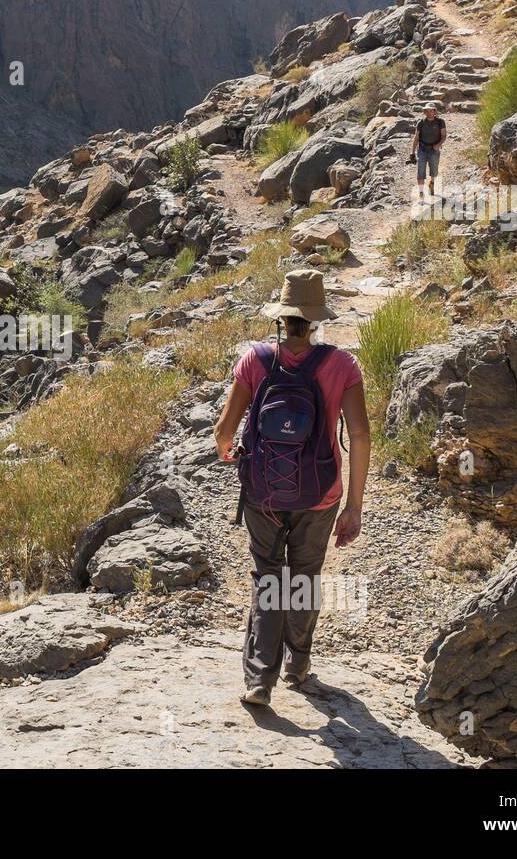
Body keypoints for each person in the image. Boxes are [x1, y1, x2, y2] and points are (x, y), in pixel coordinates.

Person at [213, 269, 371, 707]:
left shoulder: (254, 360)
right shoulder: (341, 365)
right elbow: (359, 435)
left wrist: (232, 453)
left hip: (264, 493)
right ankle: (297, 667)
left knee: (268, 577)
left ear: (280, 319)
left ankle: (259, 681)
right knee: (304, 578)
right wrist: (353, 505)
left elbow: (224, 432)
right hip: (320, 495)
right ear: (318, 319)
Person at [409, 103, 446, 199]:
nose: (429, 113)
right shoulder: (420, 123)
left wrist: (438, 145)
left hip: (434, 150)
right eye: (427, 111)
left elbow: (444, 135)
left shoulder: (440, 122)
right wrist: (412, 152)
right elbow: (416, 137)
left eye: (431, 111)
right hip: (422, 150)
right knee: (420, 172)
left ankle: (432, 183)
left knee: (434, 171)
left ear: (435, 111)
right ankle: (421, 193)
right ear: (424, 112)